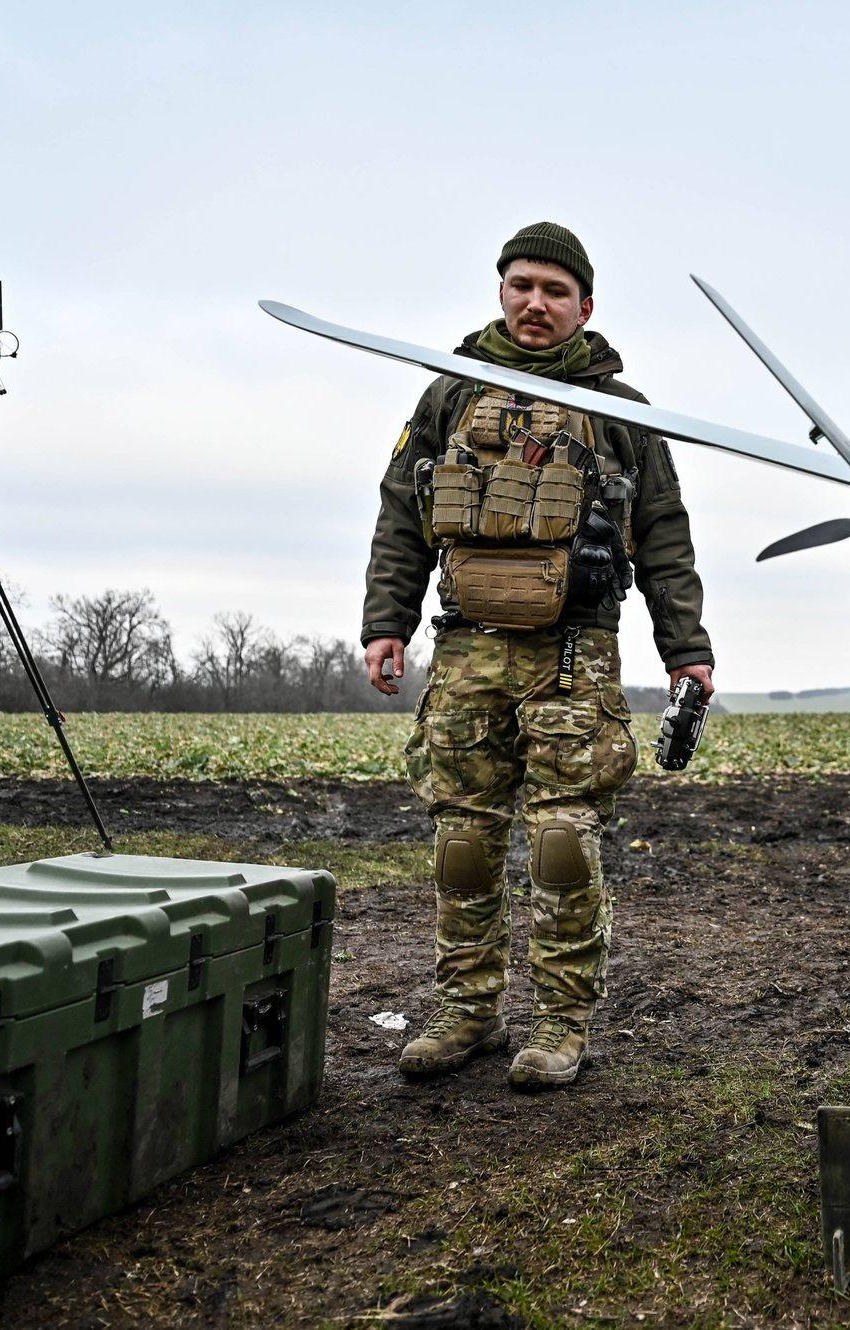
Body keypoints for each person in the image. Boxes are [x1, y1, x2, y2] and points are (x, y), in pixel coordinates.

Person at [361, 222, 715, 1089]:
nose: (535, 302)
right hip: (467, 652)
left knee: (563, 841)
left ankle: (560, 1021)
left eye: (555, 291)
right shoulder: (449, 396)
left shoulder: (620, 411)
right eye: (522, 284)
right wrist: (387, 622)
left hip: (573, 654)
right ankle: (466, 1012)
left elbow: (664, 534)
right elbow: (400, 515)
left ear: (584, 307)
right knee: (464, 841)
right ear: (501, 291)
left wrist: (687, 649)